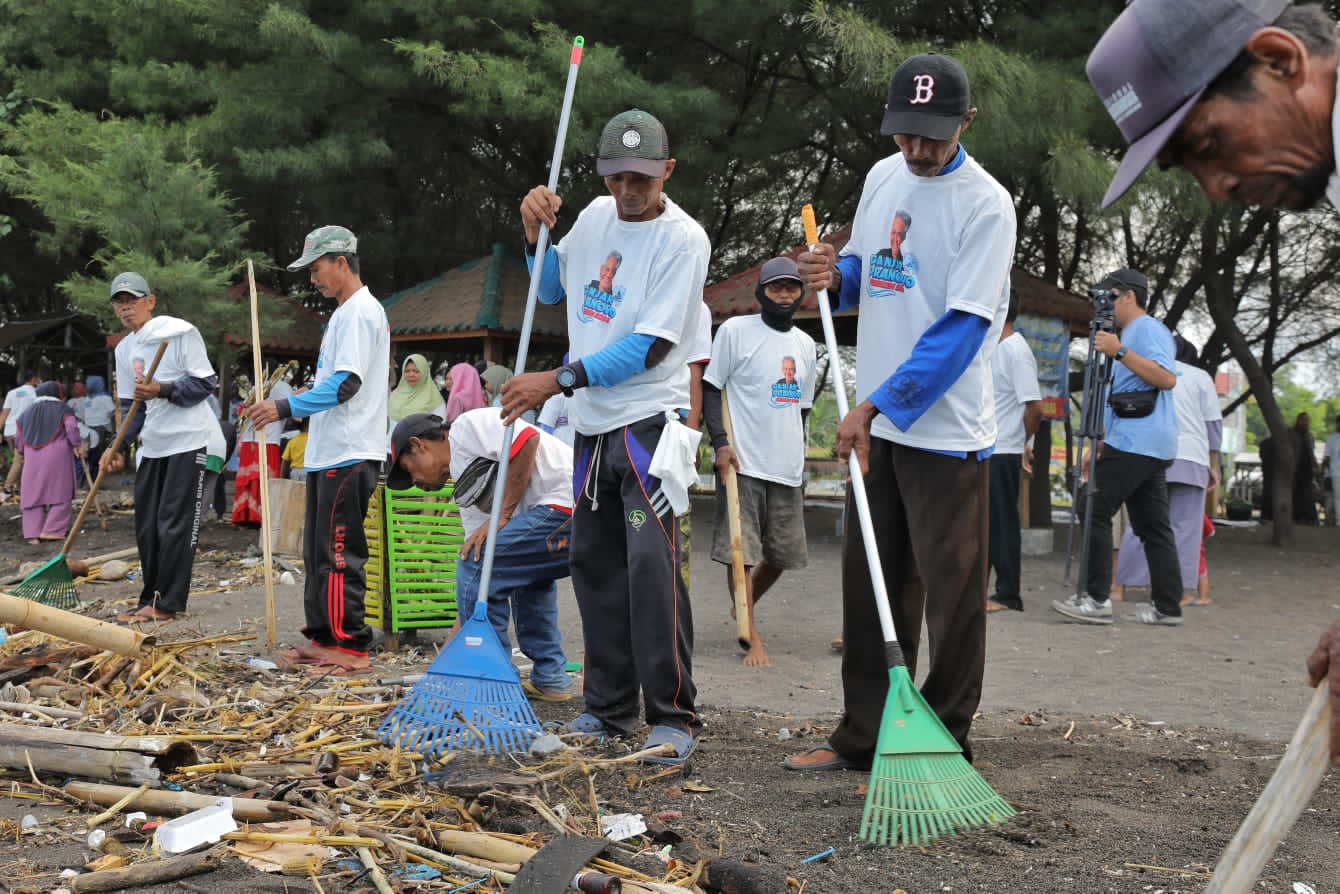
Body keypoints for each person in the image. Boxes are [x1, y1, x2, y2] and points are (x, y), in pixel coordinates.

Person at [786, 53, 1016, 771]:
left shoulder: (987, 205)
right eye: (905, 133)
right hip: (876, 424)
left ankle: (941, 744)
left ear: (966, 122)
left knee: (951, 599)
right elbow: (868, 274)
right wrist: (832, 274)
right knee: (871, 586)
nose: (916, 148)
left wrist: (878, 404)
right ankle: (863, 734)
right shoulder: (884, 177)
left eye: (932, 136)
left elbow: (962, 328)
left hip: (946, 431)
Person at [502, 108, 710, 764]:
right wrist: (533, 233)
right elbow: (550, 290)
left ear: (667, 170)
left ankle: (673, 715)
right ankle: (608, 708)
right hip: (592, 428)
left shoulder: (684, 240)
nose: (628, 189)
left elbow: (651, 348)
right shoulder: (594, 217)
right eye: (617, 176)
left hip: (649, 425)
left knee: (651, 568)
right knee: (593, 566)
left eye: (641, 178)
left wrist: (557, 380)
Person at [246, 226, 389, 676]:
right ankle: (323, 637)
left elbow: (346, 385)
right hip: (328, 451)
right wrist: (291, 403)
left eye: (316, 269)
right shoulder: (343, 316)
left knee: (340, 552)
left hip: (350, 449)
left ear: (341, 262)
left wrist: (285, 406)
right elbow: (333, 383)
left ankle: (350, 645)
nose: (312, 279)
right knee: (317, 551)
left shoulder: (361, 312)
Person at [389, 410, 576, 700]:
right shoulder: (467, 493)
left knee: (480, 564)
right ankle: (550, 680)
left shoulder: (465, 428)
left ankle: (496, 683)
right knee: (507, 571)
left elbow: (527, 439)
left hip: (568, 503)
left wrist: (501, 515)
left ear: (420, 444)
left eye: (408, 468)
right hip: (559, 517)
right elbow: (477, 584)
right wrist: (438, 670)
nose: (414, 481)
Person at [1050, 269, 1181, 627]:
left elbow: (1166, 378)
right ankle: (1167, 607)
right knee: (1152, 525)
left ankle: (1095, 599)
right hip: (1144, 440)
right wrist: (1101, 444)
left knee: (1092, 505)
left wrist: (1118, 351)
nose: (1102, 304)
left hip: (1138, 440)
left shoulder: (1146, 329)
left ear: (1128, 296)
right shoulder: (1135, 332)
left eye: (1108, 296)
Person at [703, 257, 816, 666]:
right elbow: (712, 388)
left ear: (800, 293)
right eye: (776, 287)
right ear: (761, 292)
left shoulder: (806, 346)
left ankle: (743, 605)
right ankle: (752, 635)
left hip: (787, 467)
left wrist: (800, 455)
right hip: (743, 463)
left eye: (791, 287)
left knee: (783, 556)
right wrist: (720, 444)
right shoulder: (736, 331)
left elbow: (803, 408)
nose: (784, 295)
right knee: (742, 553)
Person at [102, 272, 218, 624]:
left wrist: (162, 390)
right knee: (147, 525)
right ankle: (149, 598)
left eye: (132, 301)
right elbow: (133, 408)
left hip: (189, 439)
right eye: (119, 303)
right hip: (153, 444)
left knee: (174, 523)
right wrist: (117, 445)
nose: (126, 308)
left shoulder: (179, 333)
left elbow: (205, 384)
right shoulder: (124, 349)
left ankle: (167, 603)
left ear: (150, 301)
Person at [1114, 335, 1222, 606]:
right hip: (1192, 458)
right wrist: (1214, 466)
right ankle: (1181, 592)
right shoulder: (1201, 378)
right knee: (1185, 528)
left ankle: (1119, 587)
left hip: (1151, 453)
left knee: (1141, 523)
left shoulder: (1145, 372)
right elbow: (1212, 425)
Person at [987, 288, 1042, 613]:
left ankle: (1009, 595)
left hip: (1004, 450)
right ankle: (982, 589)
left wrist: (1024, 443)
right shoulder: (992, 347)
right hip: (987, 448)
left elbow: (1034, 407)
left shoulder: (1016, 350)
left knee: (1003, 523)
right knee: (985, 523)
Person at [15, 382, 83, 544]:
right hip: (57, 456)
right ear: (59, 394)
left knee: (32, 495)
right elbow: (71, 428)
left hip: (32, 457)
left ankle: (32, 533)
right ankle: (53, 530)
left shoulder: (25, 413)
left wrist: (23, 451)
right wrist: (77, 444)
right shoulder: (64, 409)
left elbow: (18, 438)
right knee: (61, 492)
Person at [232, 375, 291, 526]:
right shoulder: (283, 387)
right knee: (265, 479)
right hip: (269, 439)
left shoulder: (255, 387)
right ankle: (260, 516)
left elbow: (243, 414)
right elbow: (294, 411)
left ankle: (245, 515)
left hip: (251, 439)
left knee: (250, 478)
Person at [1, 369, 40, 497]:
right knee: (20, 460)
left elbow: (4, 414)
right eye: (38, 378)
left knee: (20, 460)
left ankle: (19, 488)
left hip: (9, 430)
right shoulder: (36, 393)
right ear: (34, 379)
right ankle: (7, 487)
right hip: (24, 431)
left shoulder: (12, 393)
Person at [388, 353, 445, 441]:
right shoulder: (394, 395)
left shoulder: (434, 399)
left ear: (424, 372)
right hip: (390, 446)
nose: (411, 374)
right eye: (407, 371)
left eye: (416, 371)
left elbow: (439, 428)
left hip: (418, 446)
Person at [80, 376, 117, 473]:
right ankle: (92, 472)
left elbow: (112, 410)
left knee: (97, 451)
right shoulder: (88, 397)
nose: (86, 387)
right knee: (89, 451)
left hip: (101, 427)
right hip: (88, 427)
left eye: (88, 384)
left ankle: (97, 473)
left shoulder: (105, 398)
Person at [1290, 411, 1319, 525]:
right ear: (1299, 421)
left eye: (1308, 420)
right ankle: (1297, 517)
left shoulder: (1310, 436)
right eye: (1304, 420)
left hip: (1307, 468)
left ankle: (1309, 518)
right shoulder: (1292, 434)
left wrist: (1315, 465)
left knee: (1307, 493)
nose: (1306, 422)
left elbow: (1311, 453)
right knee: (1296, 492)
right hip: (1295, 467)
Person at [1323, 417, 1340, 525]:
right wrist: (1328, 472)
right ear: (1337, 423)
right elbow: (1327, 457)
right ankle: (1339, 522)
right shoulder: (1331, 438)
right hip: (1336, 473)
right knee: (1338, 497)